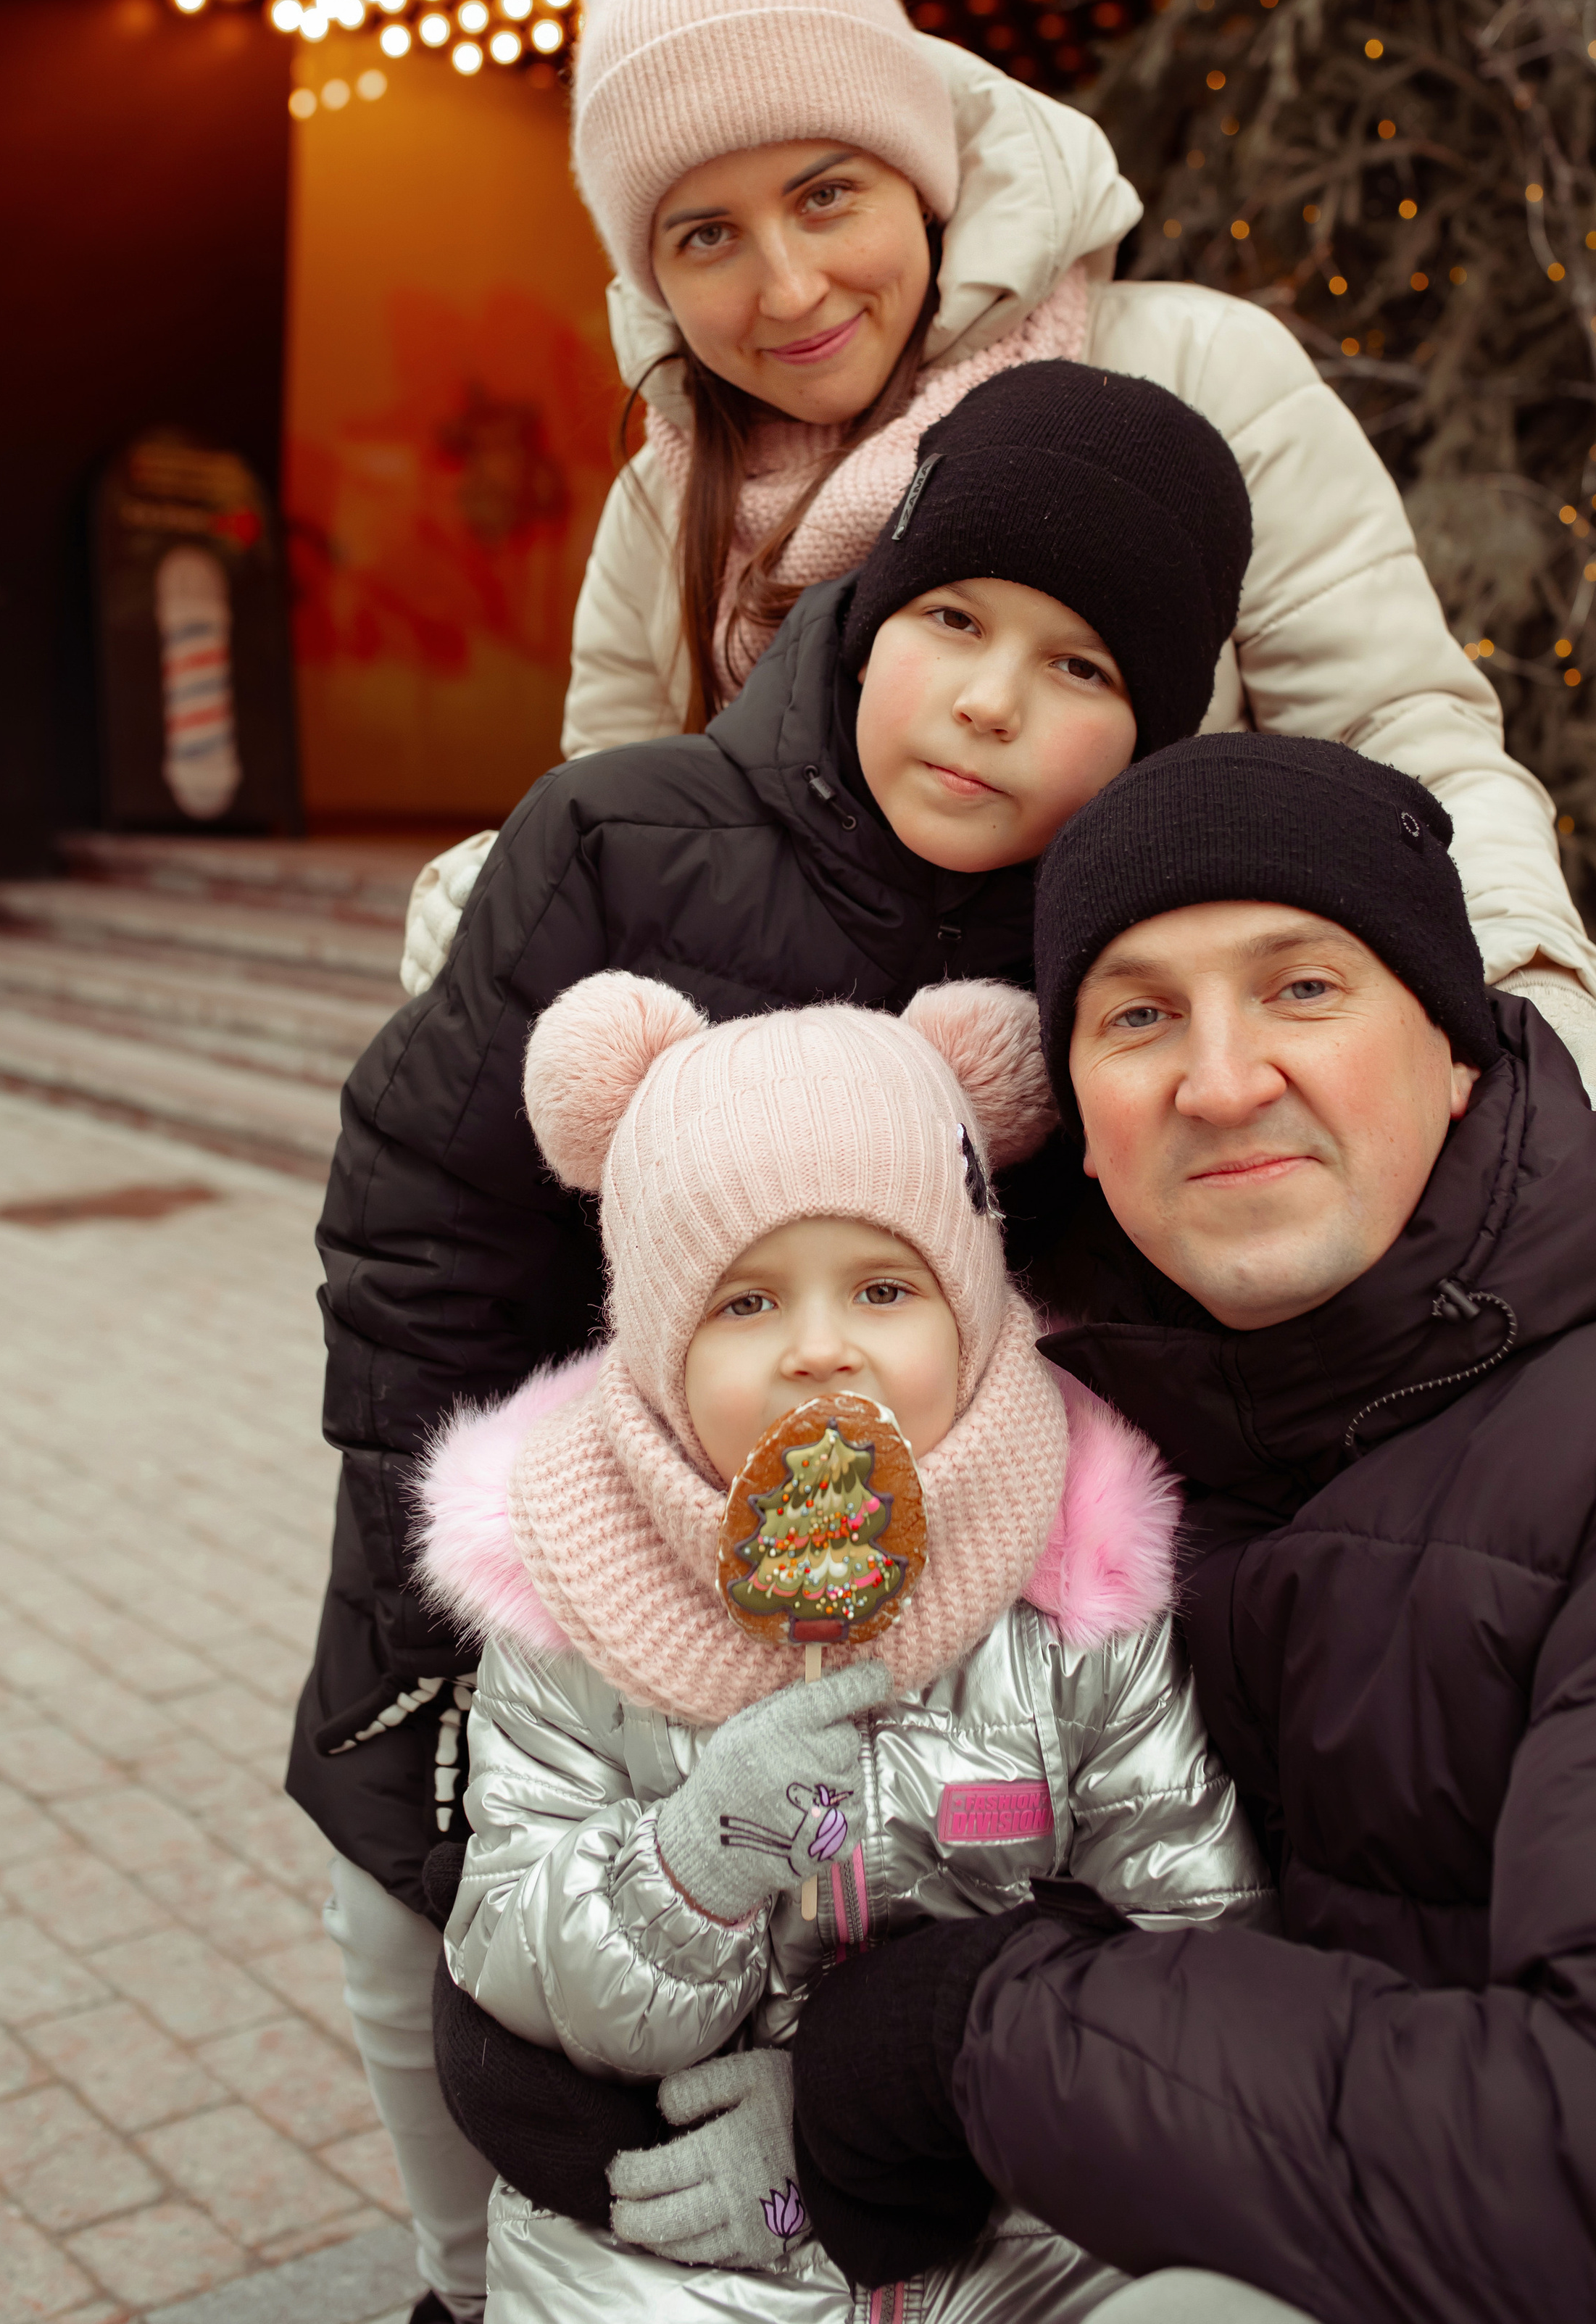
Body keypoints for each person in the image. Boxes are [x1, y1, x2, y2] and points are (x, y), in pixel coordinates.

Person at [290, 365, 1255, 2324]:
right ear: (867, 607)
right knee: (420, 1938)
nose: (994, 700)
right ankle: (457, 2284)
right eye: (956, 624)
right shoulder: (625, 842)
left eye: (1080, 672)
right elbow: (423, 1214)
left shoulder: (1096, 961)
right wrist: (435, 1606)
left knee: (834, 1958)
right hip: (577, 1542)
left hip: (950, 1614)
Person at [399, 0, 1596, 1183]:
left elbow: (1399, 737)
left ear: (922, 177)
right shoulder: (671, 504)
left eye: (827, 196)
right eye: (706, 234)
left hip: (1188, 1146)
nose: (787, 288)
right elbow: (623, 837)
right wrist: (494, 901)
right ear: (651, 271)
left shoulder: (1193, 370)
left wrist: (1530, 993)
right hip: (850, 1212)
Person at [788, 733, 1596, 2324]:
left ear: (1455, 1048)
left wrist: (986, 2034)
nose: (1222, 1077)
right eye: (1135, 1016)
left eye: (1303, 988)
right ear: (1080, 1123)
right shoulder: (1051, 1438)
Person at [414, 967, 1273, 2323]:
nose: (824, 1353)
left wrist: (929, 2135)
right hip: (669, 2264)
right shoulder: (576, 1594)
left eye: (883, 1288)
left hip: (1013, 2230)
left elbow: (1195, 1944)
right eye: (747, 1305)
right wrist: (688, 1857)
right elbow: (504, 1947)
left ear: (973, 1307)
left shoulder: (1076, 1580)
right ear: (651, 1340)